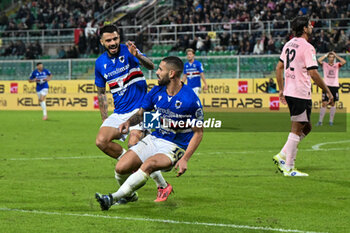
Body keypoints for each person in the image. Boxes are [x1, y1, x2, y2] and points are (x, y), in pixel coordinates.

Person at [95, 56, 204, 210]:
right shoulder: (156, 90)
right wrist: (128, 122)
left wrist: (185, 158)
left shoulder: (190, 99)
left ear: (171, 73)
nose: (157, 72)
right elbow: (142, 113)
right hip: (155, 137)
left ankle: (112, 198)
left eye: (160, 69)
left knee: (149, 164)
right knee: (121, 168)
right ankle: (133, 194)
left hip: (174, 145)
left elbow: (198, 133)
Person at [94, 24, 170, 204]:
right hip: (120, 112)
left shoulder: (129, 50)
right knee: (101, 141)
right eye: (109, 40)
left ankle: (162, 185)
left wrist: (138, 56)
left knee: (134, 143)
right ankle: (132, 186)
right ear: (102, 42)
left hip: (143, 109)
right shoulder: (100, 63)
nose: (113, 43)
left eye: (115, 39)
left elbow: (151, 66)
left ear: (118, 38)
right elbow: (101, 92)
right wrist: (105, 119)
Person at [273, 16, 333, 177]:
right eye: (309, 25)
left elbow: (279, 67)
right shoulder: (308, 47)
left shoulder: (288, 44)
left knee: (307, 127)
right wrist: (327, 91)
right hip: (300, 92)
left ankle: (282, 154)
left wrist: (281, 89)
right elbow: (313, 72)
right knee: (296, 129)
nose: (311, 27)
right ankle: (289, 168)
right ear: (305, 29)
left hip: (290, 91)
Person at [316, 51, 346, 126]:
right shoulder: (325, 65)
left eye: (332, 57)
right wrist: (326, 55)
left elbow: (344, 61)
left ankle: (331, 121)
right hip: (326, 86)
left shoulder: (337, 65)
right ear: (328, 58)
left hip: (334, 86)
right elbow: (319, 60)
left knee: (332, 103)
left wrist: (336, 55)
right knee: (324, 103)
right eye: (330, 57)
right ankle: (320, 121)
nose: (331, 58)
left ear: (334, 58)